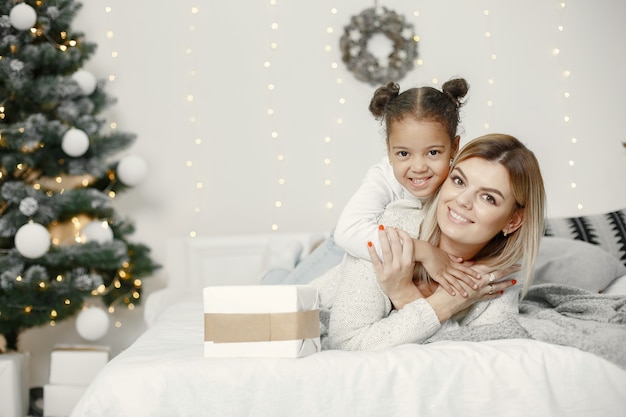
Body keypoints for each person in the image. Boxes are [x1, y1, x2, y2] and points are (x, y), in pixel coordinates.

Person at [312, 133, 546, 351]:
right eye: (459, 181)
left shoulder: (497, 281)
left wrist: (406, 295)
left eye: (488, 197)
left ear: (514, 221)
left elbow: (471, 363)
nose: (462, 200)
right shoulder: (395, 225)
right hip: (307, 298)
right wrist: (443, 305)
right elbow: (345, 343)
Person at [263, 78, 476, 296]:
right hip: (345, 249)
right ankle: (281, 259)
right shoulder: (383, 176)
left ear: (454, 147)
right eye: (403, 153)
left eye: (433, 153)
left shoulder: (461, 180)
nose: (419, 167)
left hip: (386, 263)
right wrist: (424, 252)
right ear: (389, 149)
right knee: (274, 300)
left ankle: (305, 253)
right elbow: (348, 232)